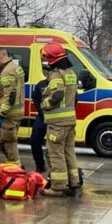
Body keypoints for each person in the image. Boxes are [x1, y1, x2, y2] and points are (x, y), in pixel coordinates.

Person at [39, 42, 81, 197]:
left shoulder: (56, 75)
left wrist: (45, 103)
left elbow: (57, 96)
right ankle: (73, 183)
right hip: (70, 121)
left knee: (55, 153)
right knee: (69, 152)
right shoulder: (71, 73)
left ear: (51, 59)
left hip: (57, 123)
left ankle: (57, 187)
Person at [0, 48, 25, 166]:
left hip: (8, 116)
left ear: (0, 57)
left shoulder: (7, 72)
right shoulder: (16, 67)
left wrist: (1, 114)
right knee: (8, 143)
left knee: (8, 145)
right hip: (16, 113)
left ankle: (14, 171)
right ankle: (14, 167)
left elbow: (10, 95)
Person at [30, 62, 50, 173]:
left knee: (53, 147)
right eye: (45, 71)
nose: (47, 74)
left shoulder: (61, 84)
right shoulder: (41, 84)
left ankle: (56, 172)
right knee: (34, 141)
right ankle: (40, 165)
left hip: (54, 119)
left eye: (49, 71)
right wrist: (40, 111)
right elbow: (35, 98)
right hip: (42, 117)